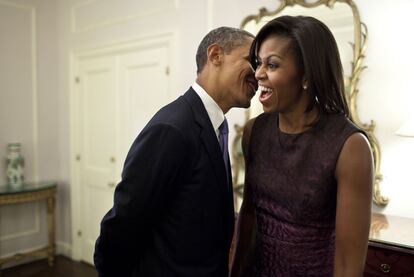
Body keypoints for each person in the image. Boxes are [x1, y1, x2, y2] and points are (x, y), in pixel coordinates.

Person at [94, 26, 257, 277]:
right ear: (215, 55)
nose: (259, 74)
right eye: (251, 60)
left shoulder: (215, 125)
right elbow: (125, 223)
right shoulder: (172, 129)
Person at [230, 16, 373, 277]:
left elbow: (348, 266)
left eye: (271, 64)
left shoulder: (351, 147)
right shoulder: (255, 131)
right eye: (258, 63)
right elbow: (248, 217)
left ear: (307, 75)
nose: (258, 73)